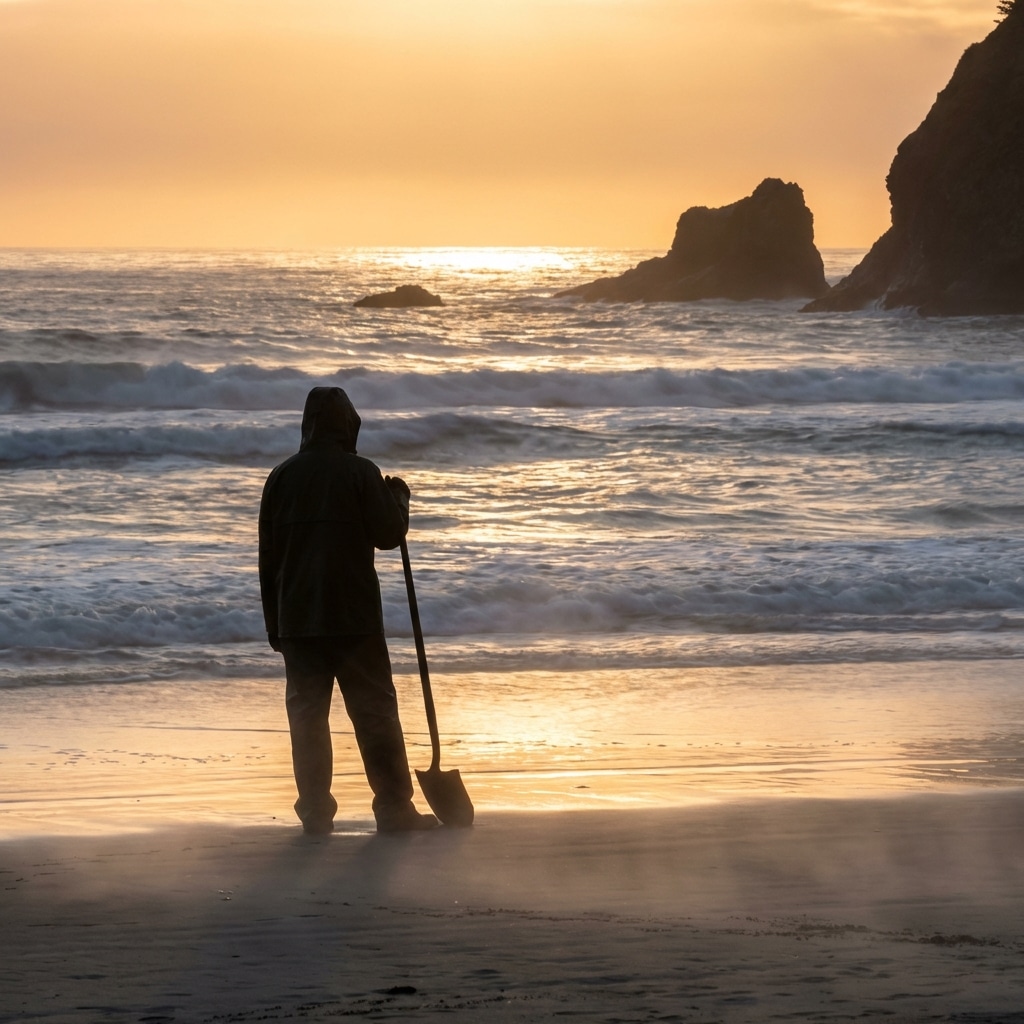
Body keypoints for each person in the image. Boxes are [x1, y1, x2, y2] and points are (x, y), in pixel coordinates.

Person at [258, 386, 437, 834]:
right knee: (374, 712)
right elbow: (389, 534)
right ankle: (394, 808)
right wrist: (398, 497)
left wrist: (274, 625)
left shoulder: (280, 477)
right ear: (348, 425)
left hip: (298, 619)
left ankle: (315, 813)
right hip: (353, 616)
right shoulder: (361, 473)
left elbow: (268, 559)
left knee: (307, 719)